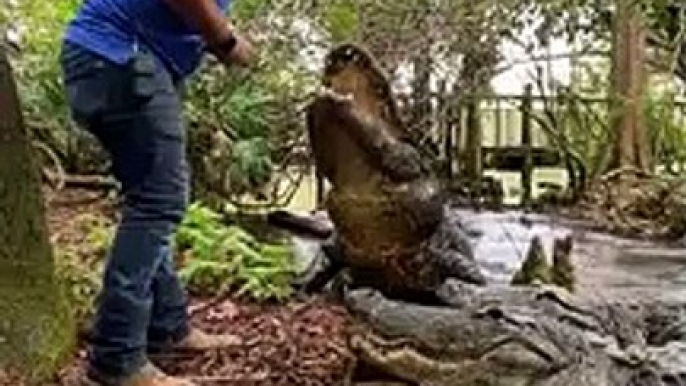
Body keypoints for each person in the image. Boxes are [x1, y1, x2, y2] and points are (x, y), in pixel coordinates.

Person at [59, 0, 255, 385]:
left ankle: (166, 326)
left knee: (150, 199)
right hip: (118, 54)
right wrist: (228, 41)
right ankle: (115, 359)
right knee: (159, 202)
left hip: (118, 59)